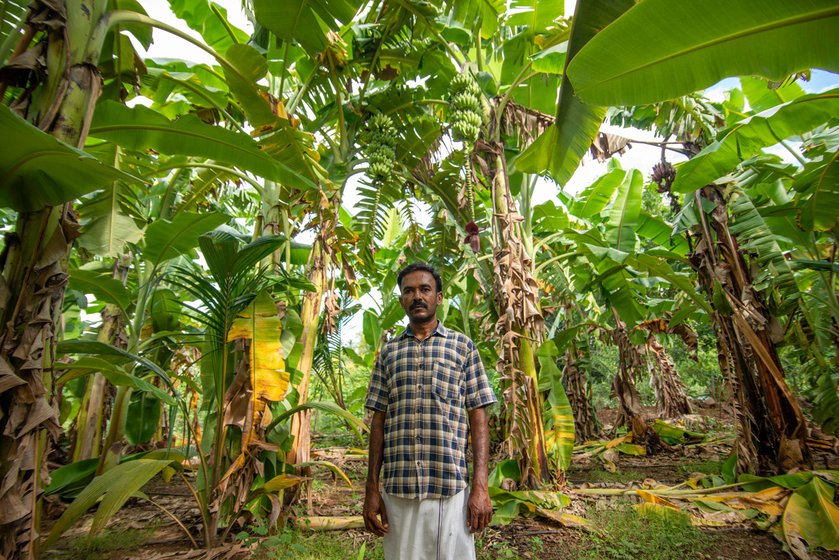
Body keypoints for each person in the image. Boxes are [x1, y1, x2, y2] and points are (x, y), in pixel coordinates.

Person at [363, 262, 497, 560]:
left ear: (438, 297)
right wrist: (372, 489)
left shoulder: (462, 348)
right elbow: (378, 421)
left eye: (425, 289)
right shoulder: (389, 353)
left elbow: (478, 416)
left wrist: (481, 486)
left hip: (449, 485)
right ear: (401, 300)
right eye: (409, 291)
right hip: (399, 486)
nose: (417, 296)